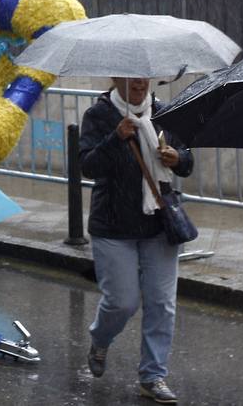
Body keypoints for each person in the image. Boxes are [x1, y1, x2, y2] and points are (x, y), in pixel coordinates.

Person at [79, 76, 194, 404]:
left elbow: (187, 159)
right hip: (113, 226)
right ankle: (100, 339)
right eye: (131, 75)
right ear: (116, 77)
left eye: (144, 75)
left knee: (161, 303)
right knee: (123, 302)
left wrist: (178, 158)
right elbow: (88, 166)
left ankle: (153, 376)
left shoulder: (163, 112)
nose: (140, 82)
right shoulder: (99, 116)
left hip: (159, 223)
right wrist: (115, 139)